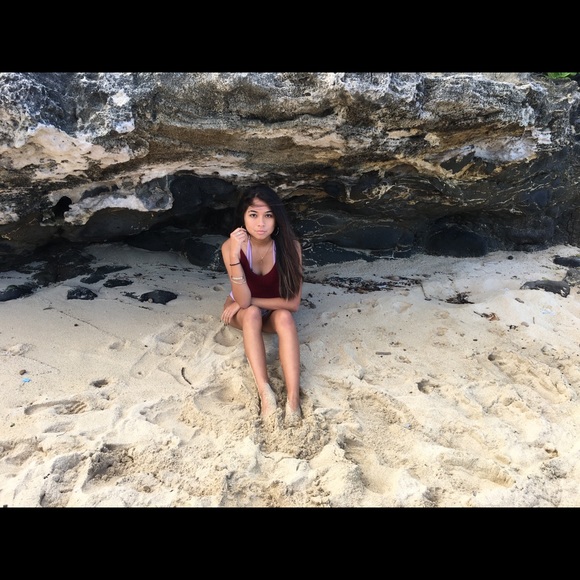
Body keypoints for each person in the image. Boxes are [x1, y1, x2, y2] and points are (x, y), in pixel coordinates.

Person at [221, 184, 303, 424]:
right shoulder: (230, 247)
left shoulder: (290, 247)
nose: (261, 223)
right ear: (243, 218)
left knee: (285, 317)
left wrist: (245, 302)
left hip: (266, 307)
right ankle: (265, 393)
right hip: (243, 313)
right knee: (252, 313)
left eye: (268, 215)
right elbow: (244, 301)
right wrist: (234, 257)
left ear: (277, 219)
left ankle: (293, 400)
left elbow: (293, 303)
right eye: (253, 215)